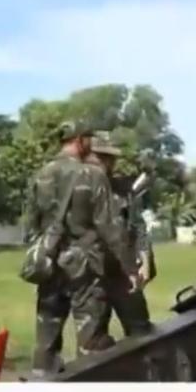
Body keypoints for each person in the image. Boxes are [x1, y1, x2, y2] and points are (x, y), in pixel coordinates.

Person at [26, 121, 134, 375]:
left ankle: (41, 384)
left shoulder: (41, 174)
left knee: (45, 341)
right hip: (85, 271)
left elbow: (30, 226)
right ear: (79, 140)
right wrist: (130, 268)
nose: (91, 144)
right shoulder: (92, 175)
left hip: (50, 266)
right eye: (88, 138)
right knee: (91, 343)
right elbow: (110, 228)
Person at [88, 132, 153, 339]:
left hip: (124, 273)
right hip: (91, 275)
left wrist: (145, 260)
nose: (106, 162)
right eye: (100, 156)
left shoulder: (124, 190)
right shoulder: (77, 190)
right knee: (93, 339)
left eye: (110, 157)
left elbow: (139, 226)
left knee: (141, 331)